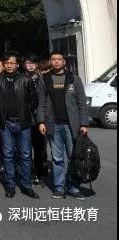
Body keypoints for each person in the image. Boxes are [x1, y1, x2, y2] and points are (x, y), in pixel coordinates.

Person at [36, 51, 89, 200]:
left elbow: (81, 102)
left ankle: (74, 187)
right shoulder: (44, 79)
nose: (56, 61)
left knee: (73, 157)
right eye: (53, 59)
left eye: (59, 59)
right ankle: (59, 187)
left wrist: (84, 123)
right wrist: (41, 121)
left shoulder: (74, 79)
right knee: (57, 158)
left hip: (72, 125)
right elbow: (41, 102)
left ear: (64, 62)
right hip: (53, 125)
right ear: (50, 62)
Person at [0, 52, 39, 199]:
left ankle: (27, 186)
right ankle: (10, 186)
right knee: (8, 155)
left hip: (23, 123)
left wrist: (26, 113)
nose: (9, 65)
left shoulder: (25, 80)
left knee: (25, 155)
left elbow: (34, 100)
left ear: (17, 65)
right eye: (6, 63)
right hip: (5, 123)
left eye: (11, 63)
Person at [23, 52, 49, 185]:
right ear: (24, 65)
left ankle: (40, 173)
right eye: (28, 63)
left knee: (40, 148)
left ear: (37, 65)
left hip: (39, 119)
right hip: (24, 118)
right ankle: (27, 173)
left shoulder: (42, 79)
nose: (30, 65)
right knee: (24, 148)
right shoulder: (20, 78)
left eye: (33, 63)